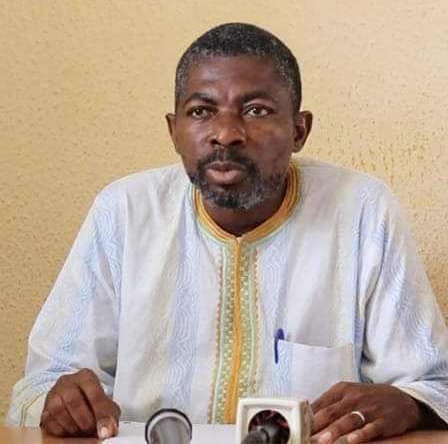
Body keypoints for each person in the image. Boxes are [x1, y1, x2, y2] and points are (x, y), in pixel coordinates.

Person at [6, 22, 448, 444]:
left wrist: (409, 404)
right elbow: (36, 389)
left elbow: (434, 385)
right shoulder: (124, 213)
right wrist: (60, 403)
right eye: (201, 111)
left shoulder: (362, 211)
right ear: (174, 131)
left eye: (256, 110)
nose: (226, 134)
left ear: (300, 130)